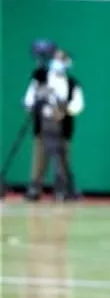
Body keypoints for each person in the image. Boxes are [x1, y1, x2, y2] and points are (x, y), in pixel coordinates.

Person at [23, 48, 84, 201]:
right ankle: (35, 189)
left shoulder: (72, 83)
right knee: (39, 160)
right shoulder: (40, 78)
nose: (58, 62)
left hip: (63, 128)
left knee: (63, 161)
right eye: (55, 58)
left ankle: (62, 191)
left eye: (61, 59)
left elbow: (77, 106)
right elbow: (28, 100)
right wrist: (40, 105)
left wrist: (64, 109)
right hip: (42, 126)